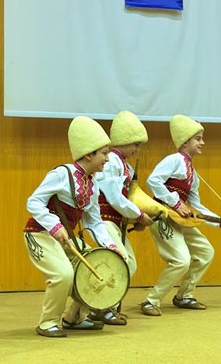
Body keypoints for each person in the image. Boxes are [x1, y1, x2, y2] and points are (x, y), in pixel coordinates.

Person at [23, 116, 126, 338]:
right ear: (89, 154)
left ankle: (74, 318)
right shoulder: (62, 174)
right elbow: (33, 202)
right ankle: (48, 322)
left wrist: (110, 245)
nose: (108, 159)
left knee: (97, 268)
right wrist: (54, 225)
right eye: (104, 153)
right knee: (63, 274)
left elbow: (94, 222)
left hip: (65, 238)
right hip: (39, 234)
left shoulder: (92, 183)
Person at [140, 114, 221, 316]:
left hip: (181, 220)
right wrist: (176, 203)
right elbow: (153, 181)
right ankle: (151, 300)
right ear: (185, 142)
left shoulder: (192, 172)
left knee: (205, 252)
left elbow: (196, 207)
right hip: (163, 217)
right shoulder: (174, 160)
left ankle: (184, 295)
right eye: (198, 138)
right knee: (181, 260)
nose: (203, 143)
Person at [92, 111, 154, 325]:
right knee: (121, 263)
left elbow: (125, 199)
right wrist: (139, 214)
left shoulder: (124, 165)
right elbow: (114, 197)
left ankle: (102, 307)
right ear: (126, 141)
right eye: (136, 144)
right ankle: (102, 309)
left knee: (130, 265)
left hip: (116, 222)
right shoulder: (112, 163)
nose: (138, 149)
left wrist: (136, 220)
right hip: (104, 220)